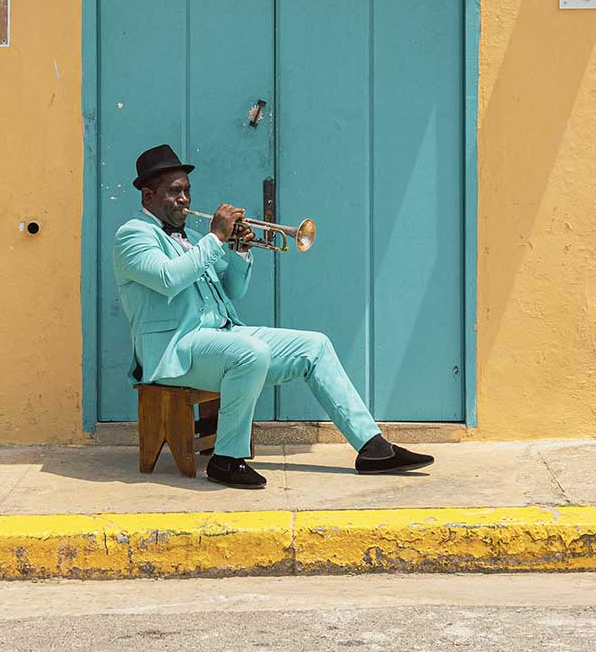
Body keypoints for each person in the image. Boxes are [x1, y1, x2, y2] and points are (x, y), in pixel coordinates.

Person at [113, 143, 435, 489]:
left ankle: (373, 448)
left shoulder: (192, 237)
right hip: (175, 351)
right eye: (174, 192)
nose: (185, 200)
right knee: (250, 353)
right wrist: (217, 237)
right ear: (148, 195)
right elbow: (168, 278)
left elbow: (232, 289)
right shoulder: (133, 235)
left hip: (220, 338)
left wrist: (239, 251)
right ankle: (227, 459)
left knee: (315, 345)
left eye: (187, 191)